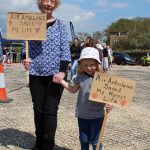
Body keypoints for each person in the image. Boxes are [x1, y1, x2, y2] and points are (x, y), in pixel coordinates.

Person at [22, 0, 71, 150]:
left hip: (56, 75)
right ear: (40, 2)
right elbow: (26, 46)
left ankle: (48, 144)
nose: (48, 4)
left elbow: (65, 50)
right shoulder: (29, 23)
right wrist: (25, 58)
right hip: (36, 73)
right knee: (38, 109)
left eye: (52, 1)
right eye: (45, 0)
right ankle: (39, 142)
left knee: (50, 111)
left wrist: (62, 71)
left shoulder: (61, 25)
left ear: (55, 5)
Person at [59, 47, 112, 150]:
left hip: (97, 116)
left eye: (92, 64)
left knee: (96, 141)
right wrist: (61, 81)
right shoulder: (79, 77)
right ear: (81, 65)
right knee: (83, 140)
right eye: (85, 65)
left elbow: (109, 95)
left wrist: (109, 104)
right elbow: (73, 89)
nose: (89, 68)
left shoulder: (102, 78)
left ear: (97, 64)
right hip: (82, 115)